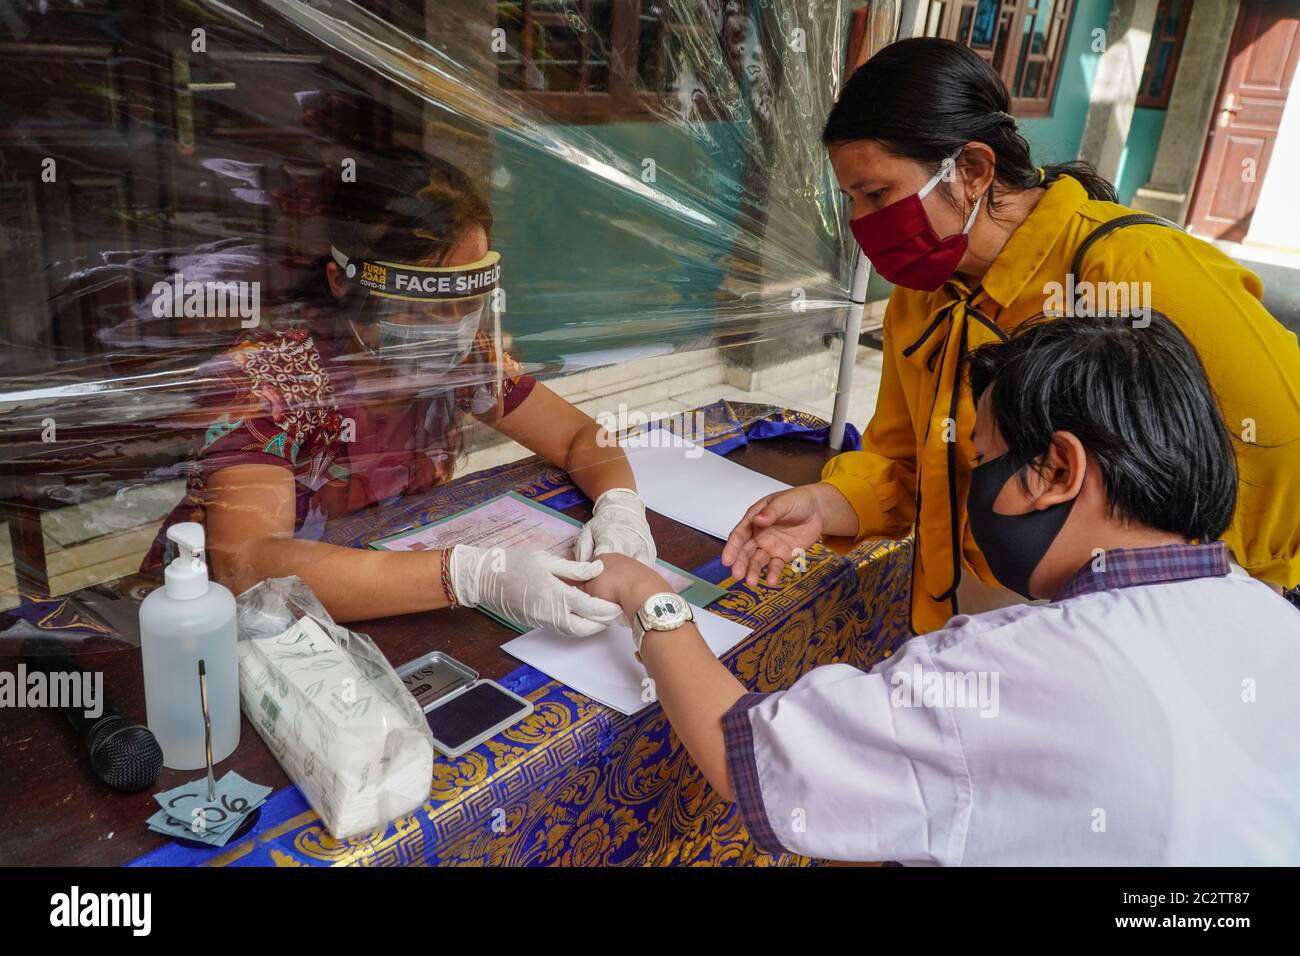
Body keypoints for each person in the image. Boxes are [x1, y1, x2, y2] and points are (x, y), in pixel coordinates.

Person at [582, 311, 1300, 865]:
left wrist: (650, 597)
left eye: (983, 461)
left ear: (1056, 469)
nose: (971, 490)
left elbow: (755, 760)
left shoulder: (1013, 670)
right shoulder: (1273, 620)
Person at [723, 37, 1300, 633]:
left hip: (1142, 619)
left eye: (877, 194)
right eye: (850, 200)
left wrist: (1216, 602)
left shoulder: (1132, 268)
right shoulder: (924, 298)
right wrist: (823, 505)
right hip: (977, 603)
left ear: (971, 171)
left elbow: (1283, 443)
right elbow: (898, 465)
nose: (860, 224)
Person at [148, 150, 653, 631]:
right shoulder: (271, 376)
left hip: (398, 592)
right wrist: (472, 575)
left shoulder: (469, 357)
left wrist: (619, 507)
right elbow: (250, 566)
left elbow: (578, 439)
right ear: (342, 283)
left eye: (467, 300)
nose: (452, 326)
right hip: (232, 626)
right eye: (425, 306)